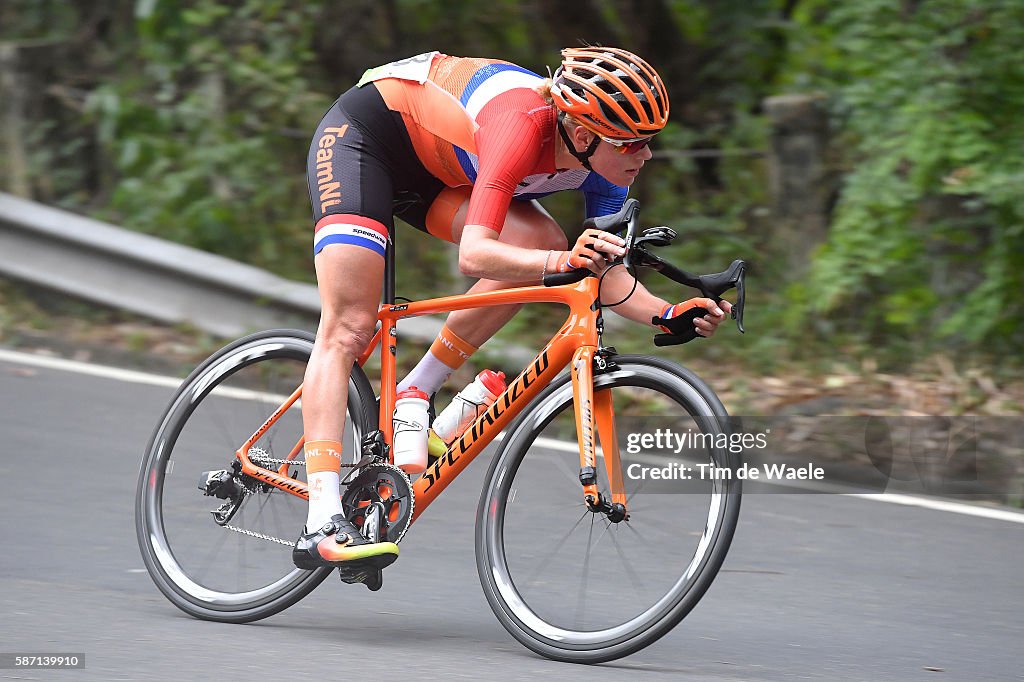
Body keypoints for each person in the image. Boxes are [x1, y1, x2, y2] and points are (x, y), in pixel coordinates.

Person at [293, 47, 733, 583]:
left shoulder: (605, 171)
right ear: (584, 132)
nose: (644, 156)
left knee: (541, 241)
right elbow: (475, 255)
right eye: (631, 143)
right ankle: (320, 520)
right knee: (350, 326)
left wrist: (668, 314)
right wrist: (562, 261)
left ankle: (415, 390)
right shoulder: (520, 124)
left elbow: (606, 275)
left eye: (649, 142)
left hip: (436, 170)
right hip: (365, 140)